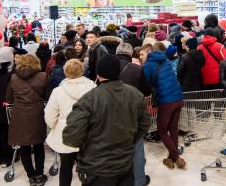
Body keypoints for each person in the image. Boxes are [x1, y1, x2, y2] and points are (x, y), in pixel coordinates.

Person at [63, 53, 150, 186]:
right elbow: (144, 124)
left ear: (98, 74)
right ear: (119, 72)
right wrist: (130, 139)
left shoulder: (88, 99)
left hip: (97, 168)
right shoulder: (135, 94)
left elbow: (71, 137)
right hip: (125, 163)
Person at [45, 59, 95, 186]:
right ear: (82, 71)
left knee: (65, 168)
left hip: (66, 134)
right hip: (88, 134)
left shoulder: (58, 91)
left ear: (65, 72)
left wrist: (53, 127)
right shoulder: (93, 88)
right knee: (88, 169)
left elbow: (50, 115)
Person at [6, 54, 50, 186]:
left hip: (19, 115)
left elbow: (8, 99)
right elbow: (48, 96)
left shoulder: (13, 78)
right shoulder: (43, 77)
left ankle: (31, 176)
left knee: (23, 146)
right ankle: (40, 175)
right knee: (38, 145)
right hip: (36, 114)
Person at [143, 49, 186, 170]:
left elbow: (146, 83)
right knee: (173, 129)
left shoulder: (148, 65)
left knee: (162, 131)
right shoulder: (165, 60)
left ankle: (177, 158)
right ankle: (171, 159)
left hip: (166, 101)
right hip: (178, 97)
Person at [115, 44, 152, 186]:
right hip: (132, 114)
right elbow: (147, 91)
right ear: (131, 54)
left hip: (110, 113)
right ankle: (139, 180)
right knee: (136, 148)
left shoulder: (106, 66)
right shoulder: (136, 69)